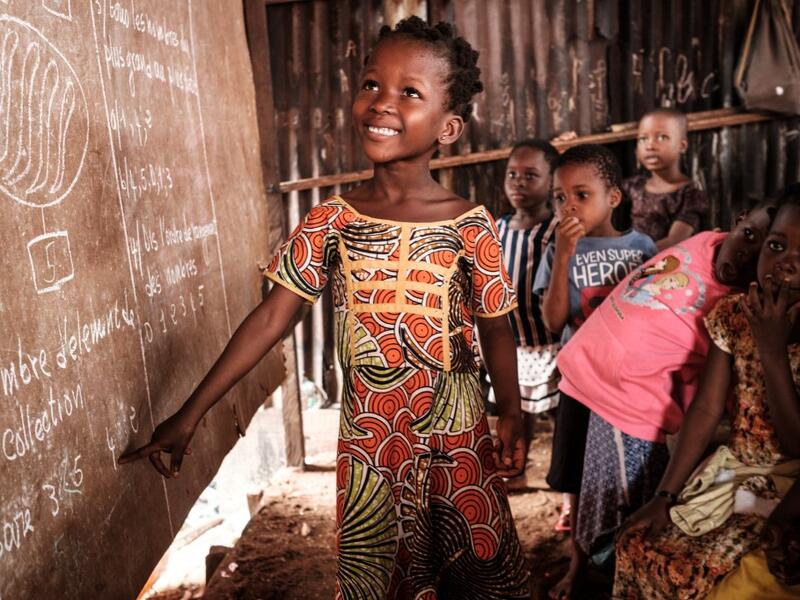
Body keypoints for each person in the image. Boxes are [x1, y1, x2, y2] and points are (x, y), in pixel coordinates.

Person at [119, 17, 531, 599]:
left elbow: (496, 324)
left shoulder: (470, 223)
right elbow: (272, 319)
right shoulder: (331, 221)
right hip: (370, 443)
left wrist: (510, 409)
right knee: (378, 577)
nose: (381, 104)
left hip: (456, 436)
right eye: (371, 84)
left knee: (475, 566)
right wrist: (191, 414)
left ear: (449, 126)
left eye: (409, 93)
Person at [548, 190, 779, 598]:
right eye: (748, 234)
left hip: (638, 407)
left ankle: (606, 575)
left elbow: (715, 390)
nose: (745, 254)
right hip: (597, 378)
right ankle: (585, 568)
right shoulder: (705, 241)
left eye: (764, 251)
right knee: (600, 497)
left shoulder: (739, 309)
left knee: (628, 506)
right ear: (739, 218)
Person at [615, 188, 800, 599]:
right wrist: (664, 495)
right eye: (776, 245)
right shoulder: (734, 314)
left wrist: (771, 349)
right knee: (638, 543)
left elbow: (795, 443)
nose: (787, 261)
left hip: (788, 484)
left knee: (702, 575)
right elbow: (705, 409)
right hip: (731, 473)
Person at [532, 144, 658, 599]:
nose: (568, 206)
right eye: (559, 198)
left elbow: (655, 314)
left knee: (629, 477)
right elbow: (553, 321)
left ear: (614, 197)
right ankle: (578, 563)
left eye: (580, 194)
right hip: (579, 382)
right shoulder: (558, 249)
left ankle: (628, 558)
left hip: (625, 385)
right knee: (574, 474)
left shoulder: (642, 247)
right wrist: (564, 255)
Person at [490, 138, 560, 492]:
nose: (518, 182)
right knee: (517, 415)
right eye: (512, 174)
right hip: (513, 342)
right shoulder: (497, 228)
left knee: (561, 416)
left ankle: (565, 482)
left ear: (551, 182)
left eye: (530, 175)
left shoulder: (556, 230)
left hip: (551, 342)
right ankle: (516, 471)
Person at [622, 107, 708, 250]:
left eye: (662, 137)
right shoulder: (634, 186)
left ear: (682, 145)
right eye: (643, 139)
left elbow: (674, 241)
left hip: (667, 264)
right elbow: (599, 195)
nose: (650, 145)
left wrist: (630, 258)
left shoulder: (690, 194)